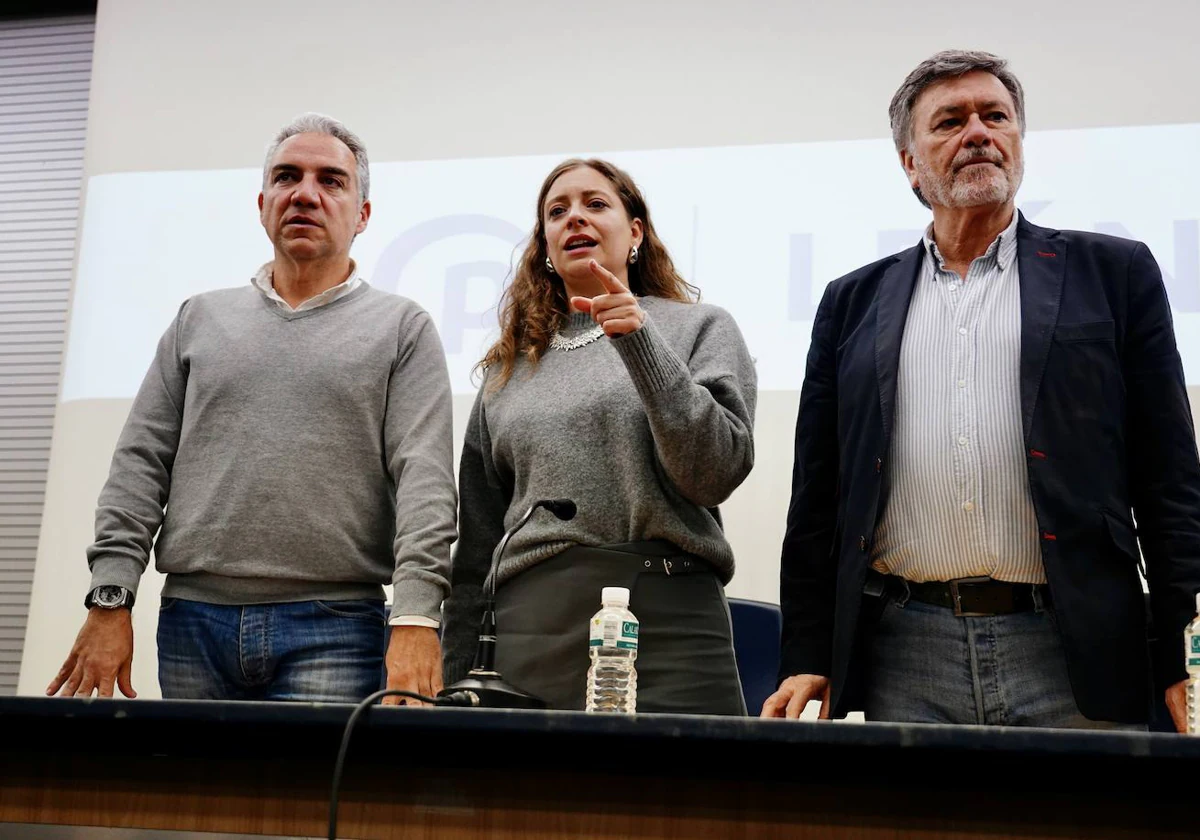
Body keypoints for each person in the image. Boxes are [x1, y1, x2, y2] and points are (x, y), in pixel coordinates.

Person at [764, 50, 1200, 729]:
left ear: (1019, 141)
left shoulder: (1114, 274)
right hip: (905, 647)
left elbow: (1170, 481)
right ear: (910, 163)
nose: (978, 132)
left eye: (995, 116)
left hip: (1072, 646)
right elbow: (818, 499)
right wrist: (805, 652)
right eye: (950, 121)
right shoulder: (850, 301)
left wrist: (1186, 653)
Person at [47, 113, 457, 704]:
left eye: (332, 181)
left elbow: (426, 483)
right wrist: (110, 597)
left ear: (363, 215)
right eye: (288, 177)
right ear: (263, 203)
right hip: (193, 622)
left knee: (315, 800)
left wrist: (417, 620)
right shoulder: (199, 319)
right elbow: (140, 464)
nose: (306, 194)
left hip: (337, 627)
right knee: (195, 799)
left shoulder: (402, 328)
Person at [442, 158, 756, 714]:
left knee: (692, 798)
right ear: (544, 247)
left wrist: (640, 342)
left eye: (595, 204)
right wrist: (457, 674)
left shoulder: (699, 328)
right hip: (529, 630)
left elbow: (714, 472)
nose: (574, 219)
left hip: (672, 622)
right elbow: (478, 546)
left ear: (635, 231)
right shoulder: (507, 369)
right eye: (556, 212)